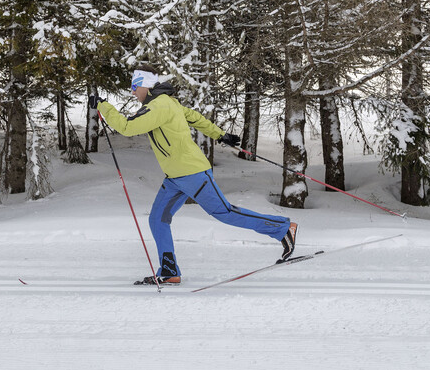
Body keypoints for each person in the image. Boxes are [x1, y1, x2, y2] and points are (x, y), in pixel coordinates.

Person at [90, 65, 297, 286]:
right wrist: (220, 135)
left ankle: (283, 229)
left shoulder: (159, 106)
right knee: (158, 219)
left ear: (146, 85)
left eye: (134, 86)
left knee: (224, 212)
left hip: (192, 174)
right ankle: (169, 271)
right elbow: (194, 117)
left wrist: (102, 105)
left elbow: (126, 127)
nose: (132, 92)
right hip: (175, 178)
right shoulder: (167, 103)